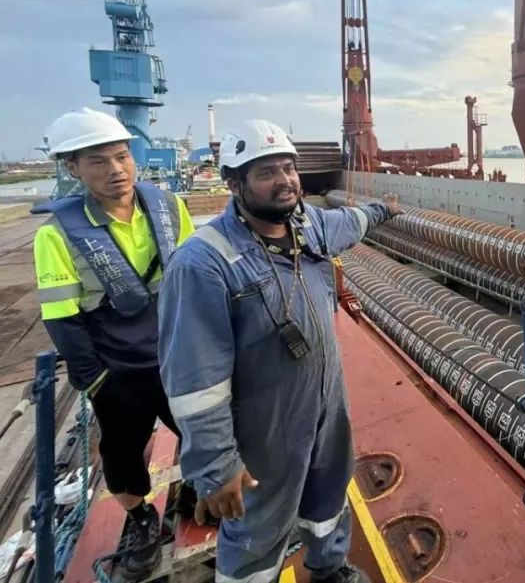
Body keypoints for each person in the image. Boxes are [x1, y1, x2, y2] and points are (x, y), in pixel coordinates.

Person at [157, 120, 395, 583]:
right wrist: (216, 466)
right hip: (264, 425)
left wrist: (385, 209)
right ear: (234, 183)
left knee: (328, 498)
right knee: (258, 528)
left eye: (288, 168)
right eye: (266, 172)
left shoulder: (308, 226)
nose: (284, 180)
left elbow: (352, 222)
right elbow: (194, 383)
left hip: (327, 407)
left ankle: (329, 568)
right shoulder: (204, 263)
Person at [34, 107, 195, 581]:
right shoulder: (57, 235)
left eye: (122, 156)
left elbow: (194, 278)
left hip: (175, 352)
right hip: (116, 366)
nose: (116, 170)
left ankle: (198, 489)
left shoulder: (168, 208)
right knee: (123, 456)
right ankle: (141, 520)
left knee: (204, 429)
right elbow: (62, 318)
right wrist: (95, 380)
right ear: (72, 167)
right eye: (98, 161)